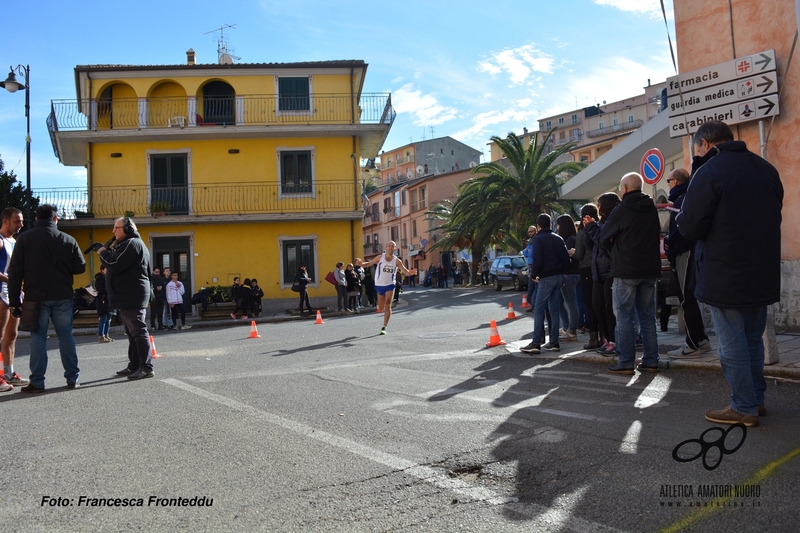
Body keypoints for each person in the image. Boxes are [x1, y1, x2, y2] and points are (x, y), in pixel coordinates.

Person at [677, 120, 783, 427]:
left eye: (696, 149)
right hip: (761, 270)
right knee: (752, 340)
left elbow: (692, 225)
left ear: (706, 145)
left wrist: (683, 215)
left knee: (733, 343)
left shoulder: (708, 172)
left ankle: (743, 407)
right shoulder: (766, 169)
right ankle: (756, 400)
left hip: (725, 271)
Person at [7, 204, 86, 392]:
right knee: (65, 336)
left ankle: (37, 381)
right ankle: (72, 378)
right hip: (62, 296)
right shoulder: (68, 239)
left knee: (38, 338)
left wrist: (15, 302)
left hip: (35, 298)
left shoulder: (24, 239)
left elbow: (15, 273)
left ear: (36, 219)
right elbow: (80, 267)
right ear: (55, 219)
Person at [599, 173, 661, 375]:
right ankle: (651, 360)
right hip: (649, 269)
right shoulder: (651, 207)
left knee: (624, 317)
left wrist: (614, 248)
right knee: (648, 317)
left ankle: (626, 362)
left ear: (625, 188)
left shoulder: (622, 209)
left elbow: (603, 237)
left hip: (625, 270)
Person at [92, 217, 155, 380]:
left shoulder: (131, 244)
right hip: (128, 295)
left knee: (138, 331)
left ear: (127, 229)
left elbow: (114, 263)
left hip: (132, 295)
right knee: (132, 332)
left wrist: (102, 251)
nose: (113, 231)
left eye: (116, 227)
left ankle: (146, 367)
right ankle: (134, 365)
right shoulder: (129, 244)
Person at [663, 168, 711, 358]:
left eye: (668, 180)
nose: (668, 184)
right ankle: (701, 340)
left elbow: (684, 229)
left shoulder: (682, 200)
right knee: (688, 297)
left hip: (685, 252)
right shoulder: (683, 198)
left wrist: (672, 246)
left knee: (687, 298)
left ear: (675, 182)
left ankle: (692, 345)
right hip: (683, 251)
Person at [520, 214, 570, 354]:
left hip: (546, 278)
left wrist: (535, 275)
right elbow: (566, 259)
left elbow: (538, 259)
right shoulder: (559, 238)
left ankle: (536, 342)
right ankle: (554, 342)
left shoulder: (539, 239)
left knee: (539, 308)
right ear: (550, 224)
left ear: (538, 226)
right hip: (558, 276)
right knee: (554, 310)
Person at [583, 194, 620, 356]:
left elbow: (604, 243)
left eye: (599, 204)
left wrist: (592, 228)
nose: (597, 207)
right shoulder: (599, 223)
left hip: (611, 270)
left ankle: (614, 340)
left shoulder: (614, 221)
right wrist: (587, 229)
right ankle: (606, 338)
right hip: (598, 270)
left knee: (609, 307)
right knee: (597, 306)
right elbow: (591, 245)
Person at [360, 241, 417, 335]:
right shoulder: (380, 257)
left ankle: (384, 327)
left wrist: (410, 273)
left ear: (395, 249)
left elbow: (405, 271)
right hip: (379, 285)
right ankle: (380, 307)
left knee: (387, 305)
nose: (390, 248)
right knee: (381, 307)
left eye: (392, 247)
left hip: (390, 284)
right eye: (389, 246)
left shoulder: (397, 261)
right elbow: (369, 264)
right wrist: (361, 264)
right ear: (386, 248)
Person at [0, 207, 28, 391]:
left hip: (14, 293)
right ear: (6, 221)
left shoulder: (15, 241)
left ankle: (9, 373)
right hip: (2, 291)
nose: (21, 224)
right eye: (17, 221)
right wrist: (11, 281)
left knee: (12, 335)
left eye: (22, 221)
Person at [574, 204, 600, 349]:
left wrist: (572, 253)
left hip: (586, 269)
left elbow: (579, 254)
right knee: (602, 304)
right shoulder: (601, 226)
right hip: (601, 268)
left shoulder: (582, 232)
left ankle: (593, 338)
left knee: (590, 304)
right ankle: (607, 338)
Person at [556, 214, 580, 342]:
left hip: (569, 274)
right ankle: (567, 327)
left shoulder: (570, 240)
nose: (557, 227)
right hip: (571, 274)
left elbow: (567, 256)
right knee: (563, 302)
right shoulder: (571, 238)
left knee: (571, 303)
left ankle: (572, 330)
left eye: (558, 224)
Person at [94, 265, 114, 343]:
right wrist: (109, 290)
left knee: (109, 318)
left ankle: (106, 335)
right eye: (107, 269)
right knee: (103, 318)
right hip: (102, 301)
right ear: (102, 270)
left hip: (109, 301)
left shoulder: (109, 277)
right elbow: (99, 289)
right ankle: (101, 336)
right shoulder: (99, 278)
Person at [522, 226, 537, 313]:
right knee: (531, 287)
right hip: (530, 266)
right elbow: (525, 252)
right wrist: (527, 251)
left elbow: (531, 253)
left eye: (531, 231)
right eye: (529, 232)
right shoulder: (530, 242)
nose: (530, 233)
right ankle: (532, 305)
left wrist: (527, 252)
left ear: (535, 231)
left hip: (535, 266)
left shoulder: (536, 240)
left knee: (535, 286)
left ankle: (535, 306)